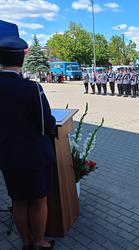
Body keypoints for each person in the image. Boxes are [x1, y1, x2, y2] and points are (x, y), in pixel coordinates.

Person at [0, 20, 56, 250]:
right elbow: (45, 124)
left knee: (19, 201)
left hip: (8, 157)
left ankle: (25, 242)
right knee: (39, 199)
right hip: (33, 156)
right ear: (22, 60)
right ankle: (39, 242)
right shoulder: (32, 89)